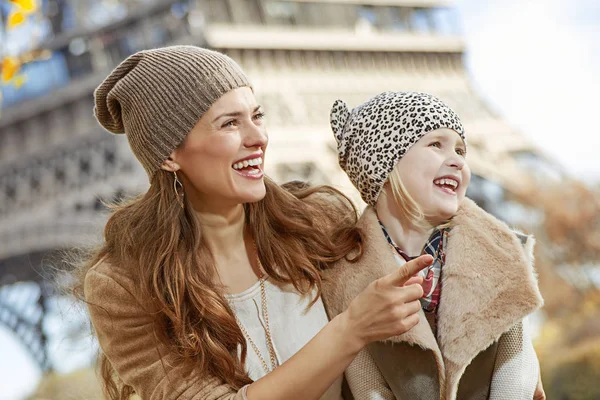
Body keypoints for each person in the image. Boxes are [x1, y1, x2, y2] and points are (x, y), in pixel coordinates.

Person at [76, 46, 432, 400]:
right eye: (230, 123)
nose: (258, 137)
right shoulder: (124, 285)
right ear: (169, 154)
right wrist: (351, 329)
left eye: (256, 116)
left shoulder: (320, 223)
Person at [324, 91, 546, 400]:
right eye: (435, 145)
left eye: (460, 150)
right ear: (383, 167)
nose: (456, 160)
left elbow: (516, 371)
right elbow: (367, 387)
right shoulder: (344, 281)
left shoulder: (502, 254)